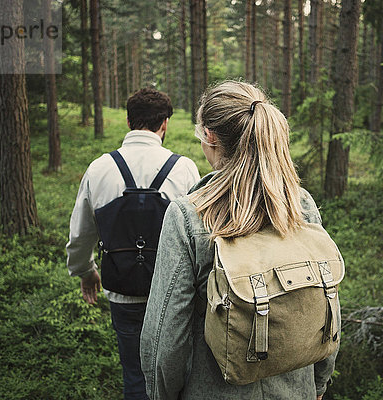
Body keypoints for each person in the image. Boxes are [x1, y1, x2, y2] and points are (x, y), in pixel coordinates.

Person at [140, 80, 339, 400]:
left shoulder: (189, 216)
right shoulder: (299, 205)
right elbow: (325, 302)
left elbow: (165, 337)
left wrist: (160, 393)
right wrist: (318, 384)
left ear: (210, 137)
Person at [66, 88, 200, 400]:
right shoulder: (184, 168)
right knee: (179, 375)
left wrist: (85, 271)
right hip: (174, 295)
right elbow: (198, 235)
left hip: (123, 292)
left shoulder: (99, 168)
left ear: (128, 120)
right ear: (164, 123)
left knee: (135, 376)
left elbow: (81, 232)